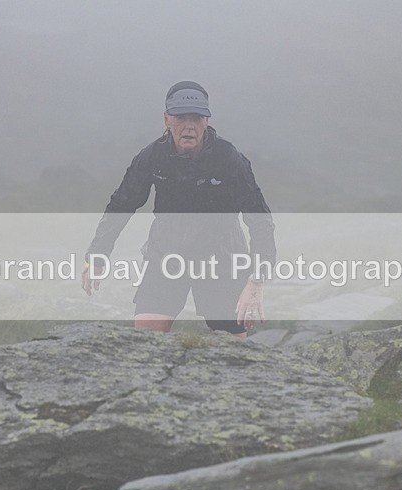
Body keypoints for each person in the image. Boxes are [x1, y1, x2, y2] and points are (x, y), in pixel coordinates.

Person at [81, 81, 275, 339]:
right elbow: (121, 204)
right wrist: (97, 255)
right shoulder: (152, 156)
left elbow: (260, 220)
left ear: (206, 121)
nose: (188, 126)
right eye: (180, 117)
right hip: (166, 257)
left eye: (196, 118)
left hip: (222, 261)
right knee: (145, 344)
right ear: (166, 119)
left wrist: (256, 282)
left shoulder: (229, 159)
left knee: (232, 355)